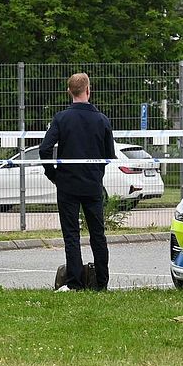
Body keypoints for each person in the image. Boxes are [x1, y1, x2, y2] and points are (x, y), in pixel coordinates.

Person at [39, 73, 115, 292]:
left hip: (67, 185)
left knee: (71, 235)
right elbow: (108, 155)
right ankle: (101, 282)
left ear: (69, 92)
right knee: (97, 234)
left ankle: (75, 282)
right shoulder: (101, 119)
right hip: (92, 185)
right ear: (88, 90)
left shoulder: (61, 118)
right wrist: (96, 173)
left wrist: (53, 174)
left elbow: (45, 149)